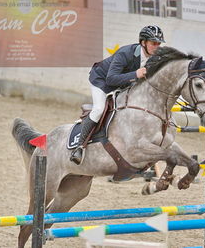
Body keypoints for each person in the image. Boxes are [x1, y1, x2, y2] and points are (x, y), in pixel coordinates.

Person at [70, 25, 166, 164]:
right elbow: (111, 79)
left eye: (159, 43)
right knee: (98, 109)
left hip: (124, 83)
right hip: (102, 81)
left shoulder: (155, 57)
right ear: (143, 42)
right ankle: (79, 146)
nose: (157, 46)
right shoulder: (125, 53)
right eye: (153, 43)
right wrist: (136, 74)